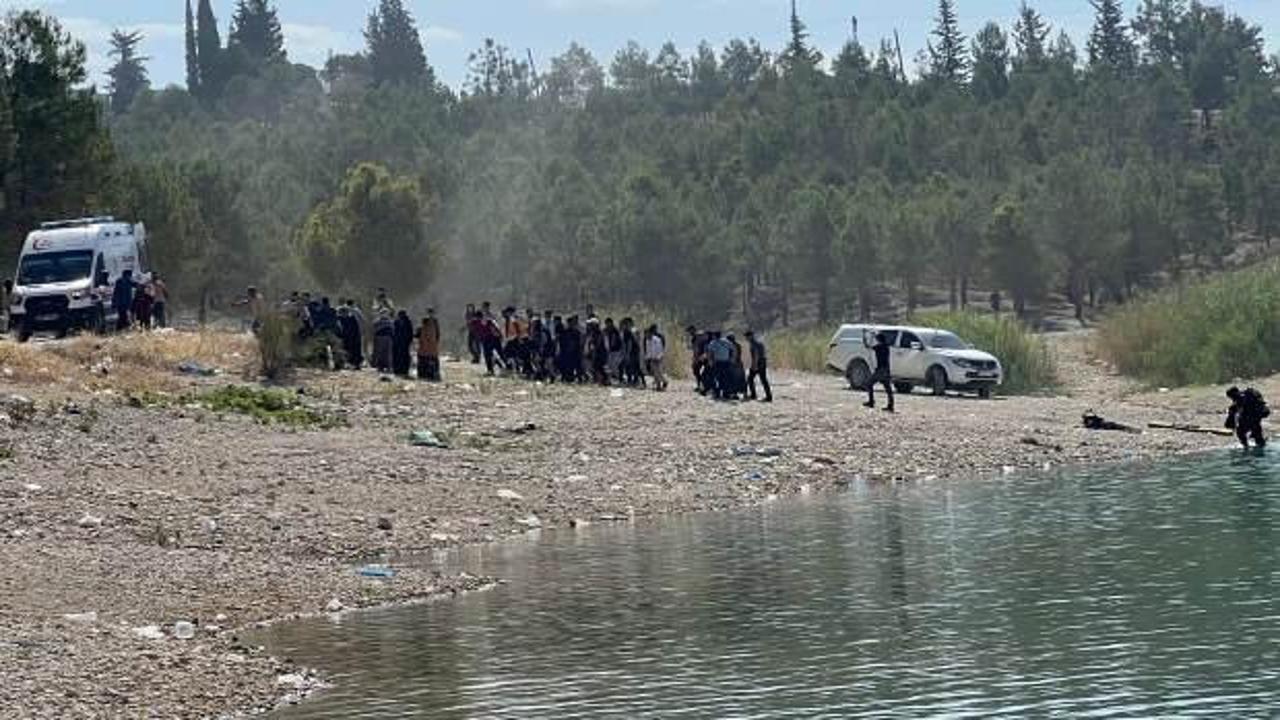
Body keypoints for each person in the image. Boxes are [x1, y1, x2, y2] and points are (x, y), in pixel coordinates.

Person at [864, 331, 895, 412]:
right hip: (886, 370)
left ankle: (871, 402)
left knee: (869, 384)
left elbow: (867, 346)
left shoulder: (879, 347)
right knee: (888, 389)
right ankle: (890, 405)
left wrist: (865, 336)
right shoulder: (886, 347)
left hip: (880, 370)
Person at [706, 332, 735, 400]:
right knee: (725, 378)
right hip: (726, 362)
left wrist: (710, 361)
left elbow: (710, 352)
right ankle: (726, 393)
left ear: (714, 336)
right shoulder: (727, 341)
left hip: (717, 362)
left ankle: (717, 393)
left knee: (716, 378)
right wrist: (731, 359)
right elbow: (732, 350)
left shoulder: (713, 343)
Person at [745, 330, 772, 403]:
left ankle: (753, 395)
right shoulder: (759, 343)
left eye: (746, 336)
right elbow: (763, 353)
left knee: (750, 379)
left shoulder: (753, 344)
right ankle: (769, 396)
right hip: (763, 362)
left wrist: (754, 365)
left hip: (758, 363)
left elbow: (756, 355)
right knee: (763, 380)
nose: (746, 338)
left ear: (750, 336)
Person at [417, 309, 442, 381]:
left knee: (427, 361)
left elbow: (436, 335)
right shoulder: (433, 323)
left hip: (427, 348)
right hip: (429, 348)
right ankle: (431, 374)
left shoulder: (432, 323)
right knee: (430, 360)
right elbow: (437, 335)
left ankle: (428, 374)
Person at [644, 324, 667, 391]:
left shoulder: (657, 340)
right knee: (655, 373)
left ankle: (665, 381)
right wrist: (647, 358)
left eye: (647, 334)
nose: (646, 336)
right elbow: (648, 350)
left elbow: (660, 349)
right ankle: (658, 386)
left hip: (658, 358)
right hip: (652, 358)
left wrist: (658, 357)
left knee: (659, 372)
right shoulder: (647, 341)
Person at [392, 310, 414, 377]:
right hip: (398, 343)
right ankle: (398, 370)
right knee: (398, 357)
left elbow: (410, 333)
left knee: (403, 357)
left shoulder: (407, 322)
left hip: (403, 343)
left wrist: (409, 341)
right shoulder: (397, 322)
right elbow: (393, 332)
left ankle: (403, 370)